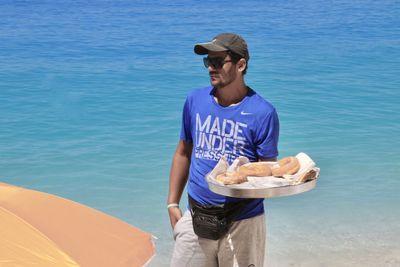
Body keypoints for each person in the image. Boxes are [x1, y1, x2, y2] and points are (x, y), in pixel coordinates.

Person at [168, 33, 280, 267]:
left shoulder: (263, 113)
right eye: (208, 62)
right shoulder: (195, 101)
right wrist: (172, 204)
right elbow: (183, 152)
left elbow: (266, 172)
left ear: (241, 65)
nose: (211, 68)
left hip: (243, 221)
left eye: (218, 62)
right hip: (195, 214)